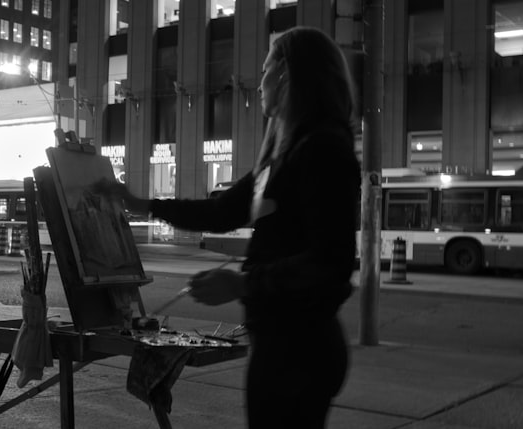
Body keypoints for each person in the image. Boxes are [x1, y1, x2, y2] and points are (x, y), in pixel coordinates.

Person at [95, 27, 359, 428]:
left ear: (287, 74)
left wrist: (243, 285)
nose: (260, 80)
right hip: (280, 346)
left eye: (266, 68)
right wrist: (140, 204)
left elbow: (331, 264)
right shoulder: (284, 155)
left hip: (302, 351)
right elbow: (221, 212)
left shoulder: (324, 149)